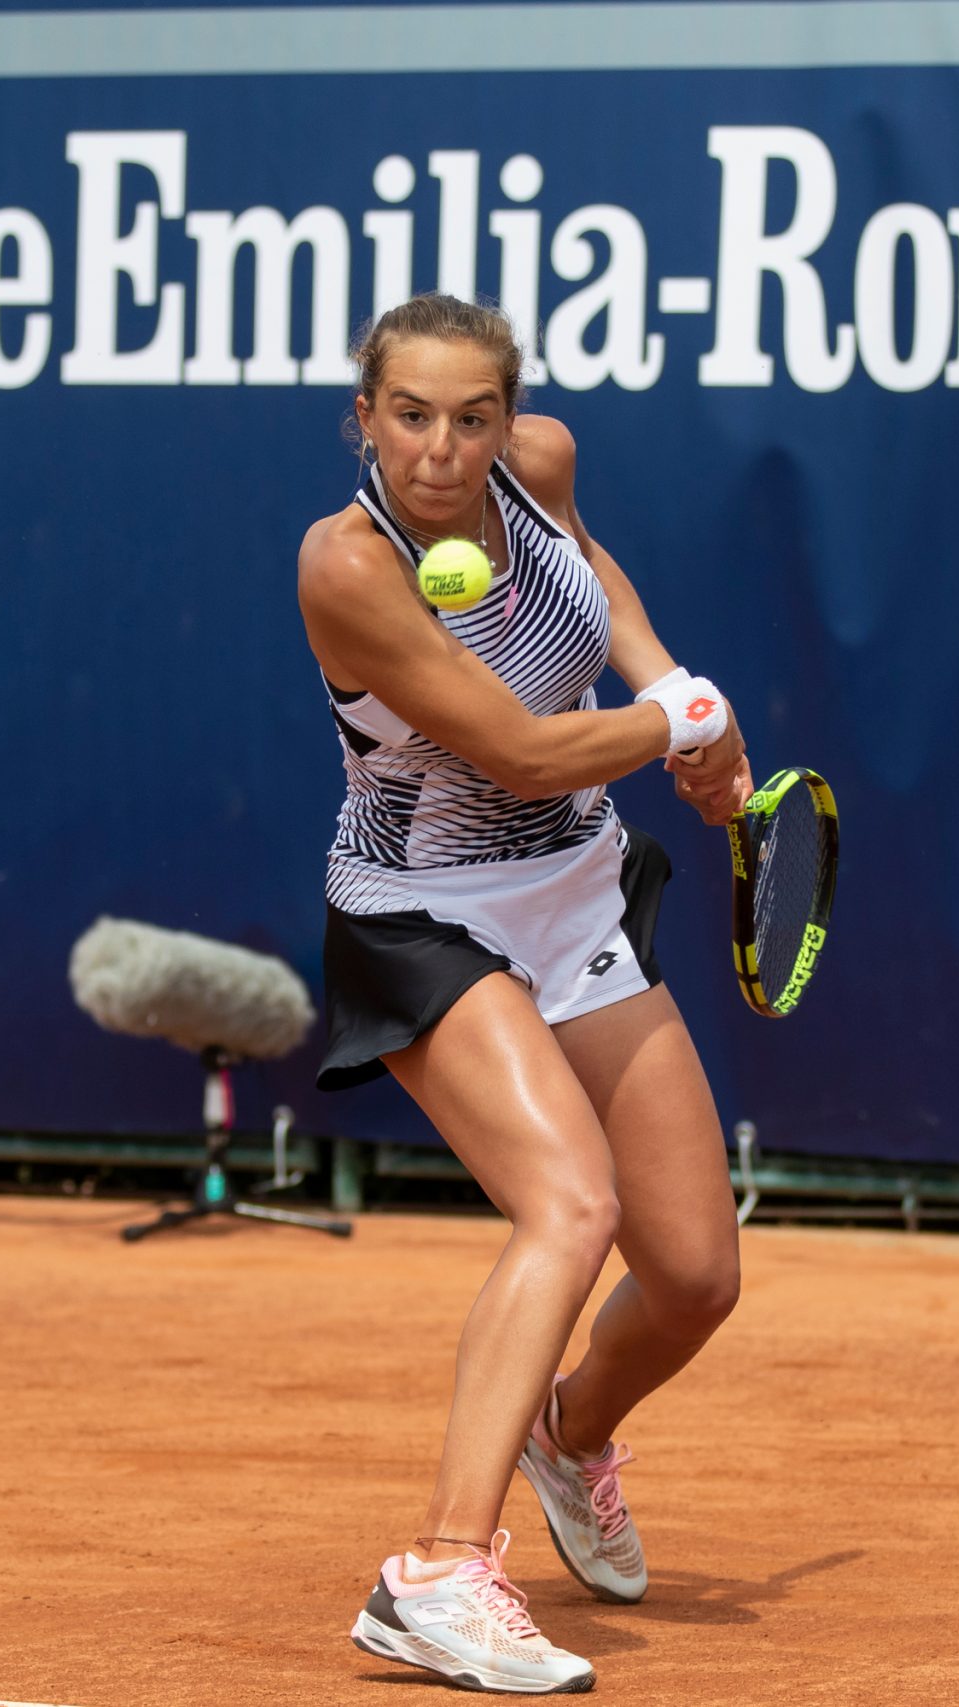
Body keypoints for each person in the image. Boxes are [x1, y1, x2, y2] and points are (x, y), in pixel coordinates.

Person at [297, 292, 751, 1694]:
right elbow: (525, 757)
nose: (442, 449)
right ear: (364, 417)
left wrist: (672, 683)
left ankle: (570, 1432)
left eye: (472, 417)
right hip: (427, 909)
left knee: (691, 1274)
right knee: (569, 1205)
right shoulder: (346, 569)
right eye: (411, 415)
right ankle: (438, 1569)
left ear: (509, 419)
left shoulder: (537, 468)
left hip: (575, 894)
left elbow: (595, 577)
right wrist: (684, 722)